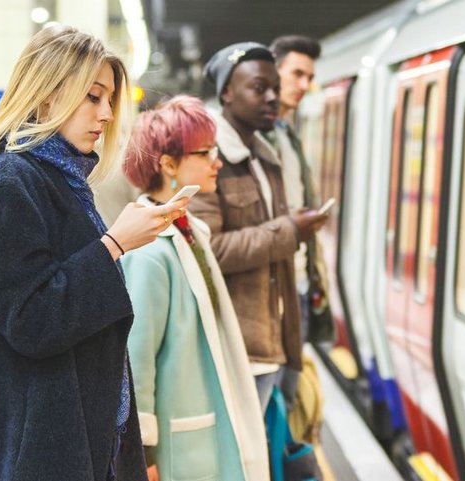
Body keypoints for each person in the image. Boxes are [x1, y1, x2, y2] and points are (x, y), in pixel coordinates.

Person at [0, 26, 188, 481]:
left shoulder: (60, 180)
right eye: (92, 97)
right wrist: (115, 244)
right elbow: (31, 320)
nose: (105, 114)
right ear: (45, 96)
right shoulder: (8, 184)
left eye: (110, 100)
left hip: (73, 437)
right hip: (33, 450)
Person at [121, 95, 269, 481]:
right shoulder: (149, 252)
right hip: (177, 446)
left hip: (201, 428)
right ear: (168, 164)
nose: (217, 162)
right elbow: (137, 359)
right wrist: (144, 453)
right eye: (205, 153)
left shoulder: (189, 229)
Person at [190, 42, 326, 412]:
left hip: (272, 340)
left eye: (274, 89)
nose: (272, 98)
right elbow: (208, 251)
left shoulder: (265, 158)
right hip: (236, 350)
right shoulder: (208, 157)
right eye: (258, 88)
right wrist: (291, 231)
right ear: (227, 93)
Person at [264, 35, 335, 407]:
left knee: (287, 399)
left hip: (300, 284)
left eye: (309, 77)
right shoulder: (253, 138)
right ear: (271, 72)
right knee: (273, 401)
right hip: (273, 292)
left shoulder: (287, 135)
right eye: (297, 74)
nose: (305, 85)